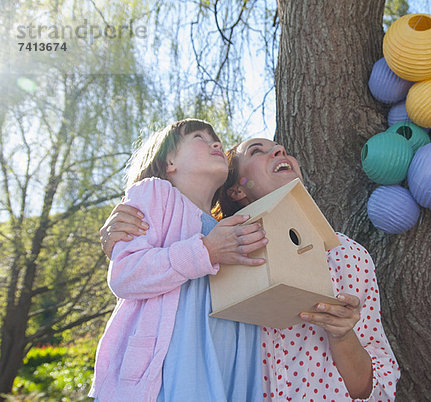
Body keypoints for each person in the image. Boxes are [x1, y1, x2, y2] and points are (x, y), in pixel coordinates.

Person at [100, 138, 401, 401]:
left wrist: (343, 335)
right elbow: (155, 288)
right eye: (257, 151)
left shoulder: (346, 254)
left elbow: (366, 388)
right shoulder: (218, 255)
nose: (280, 150)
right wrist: (124, 240)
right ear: (236, 191)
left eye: (281, 148)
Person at [89, 120, 267, 402]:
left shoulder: (226, 227)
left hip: (226, 370)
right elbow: (124, 274)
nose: (216, 144)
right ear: (169, 160)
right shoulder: (154, 193)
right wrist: (206, 251)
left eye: (216, 140)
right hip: (168, 374)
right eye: (200, 137)